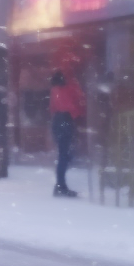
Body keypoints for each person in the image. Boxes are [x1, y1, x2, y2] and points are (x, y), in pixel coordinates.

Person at [48, 69, 85, 197]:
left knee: (63, 154)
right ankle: (60, 186)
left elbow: (52, 107)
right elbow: (75, 106)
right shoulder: (69, 88)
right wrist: (78, 116)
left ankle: (60, 184)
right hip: (66, 120)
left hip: (57, 121)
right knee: (66, 154)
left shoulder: (55, 90)